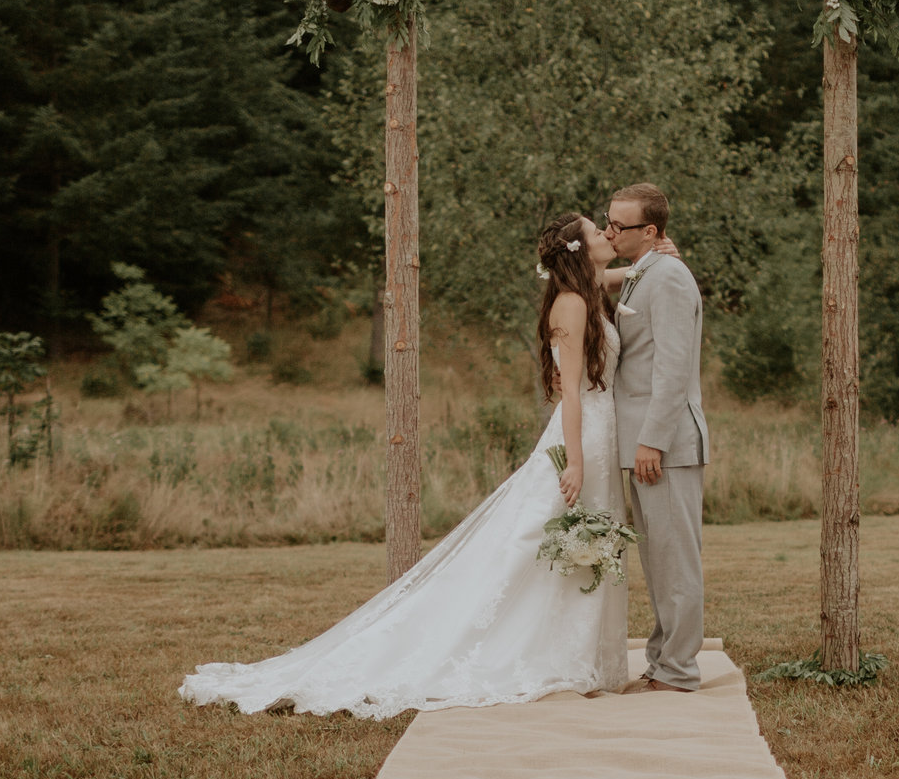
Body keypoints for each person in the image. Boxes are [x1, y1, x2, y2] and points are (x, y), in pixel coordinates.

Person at [178, 213, 629, 717]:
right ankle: (520, 652)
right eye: (597, 231)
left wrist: (647, 263)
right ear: (577, 250)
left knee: (571, 545)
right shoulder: (570, 305)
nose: (608, 236)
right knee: (542, 543)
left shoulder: (587, 291)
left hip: (601, 434)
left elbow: (609, 278)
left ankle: (570, 653)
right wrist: (575, 462)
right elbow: (569, 391)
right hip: (580, 437)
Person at [603, 182, 709, 694]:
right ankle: (663, 659)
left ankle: (680, 669)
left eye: (618, 226)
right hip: (647, 443)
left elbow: (672, 368)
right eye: (607, 222)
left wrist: (653, 441)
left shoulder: (668, 278)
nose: (608, 232)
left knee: (675, 562)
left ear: (650, 231)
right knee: (657, 561)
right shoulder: (646, 271)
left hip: (666, 446)